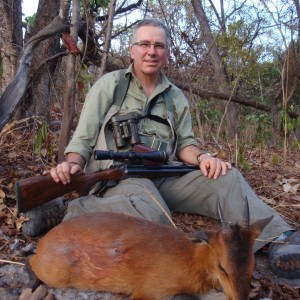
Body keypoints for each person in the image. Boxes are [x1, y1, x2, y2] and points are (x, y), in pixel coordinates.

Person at [22, 18, 300, 280]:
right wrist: (73, 164)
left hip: (166, 173)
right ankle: (65, 211)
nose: (151, 51)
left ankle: (277, 239)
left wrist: (203, 157)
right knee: (153, 214)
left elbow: (185, 145)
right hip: (121, 176)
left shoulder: (176, 96)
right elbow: (83, 138)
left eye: (159, 45)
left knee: (228, 178)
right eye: (144, 44)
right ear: (132, 51)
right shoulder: (110, 85)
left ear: (166, 53)